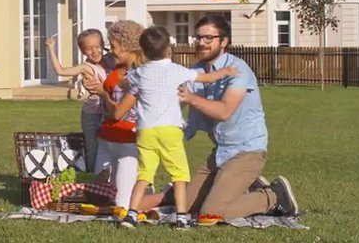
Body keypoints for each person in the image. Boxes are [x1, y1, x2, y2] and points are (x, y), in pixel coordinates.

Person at [140, 14, 299, 222]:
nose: (201, 43)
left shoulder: (238, 70)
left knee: (212, 213)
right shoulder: (196, 71)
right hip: (220, 152)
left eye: (208, 38)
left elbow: (225, 111)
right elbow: (172, 99)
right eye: (198, 38)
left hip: (247, 150)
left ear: (223, 42)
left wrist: (191, 98)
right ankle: (238, 186)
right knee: (185, 205)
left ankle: (272, 196)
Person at [110, 26, 236, 229]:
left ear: (143, 51)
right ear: (168, 49)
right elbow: (205, 78)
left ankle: (131, 215)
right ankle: (181, 216)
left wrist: (127, 82)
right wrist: (226, 71)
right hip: (170, 130)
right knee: (179, 176)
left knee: (144, 175)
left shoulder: (140, 73)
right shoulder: (177, 71)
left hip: (146, 131)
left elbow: (123, 83)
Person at [83, 20, 144, 209]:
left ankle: (167, 197)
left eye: (114, 46)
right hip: (107, 140)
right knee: (101, 198)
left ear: (127, 46)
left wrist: (102, 93)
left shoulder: (141, 74)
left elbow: (118, 113)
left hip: (128, 142)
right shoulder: (116, 69)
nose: (111, 51)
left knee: (121, 204)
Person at [46, 29, 113, 173]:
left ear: (103, 45)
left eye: (97, 47)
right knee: (92, 148)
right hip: (92, 114)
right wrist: (51, 48)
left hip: (110, 110)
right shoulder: (86, 67)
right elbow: (61, 71)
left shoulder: (110, 60)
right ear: (83, 51)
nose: (94, 52)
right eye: (89, 49)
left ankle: (107, 178)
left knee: (110, 147)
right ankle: (92, 178)